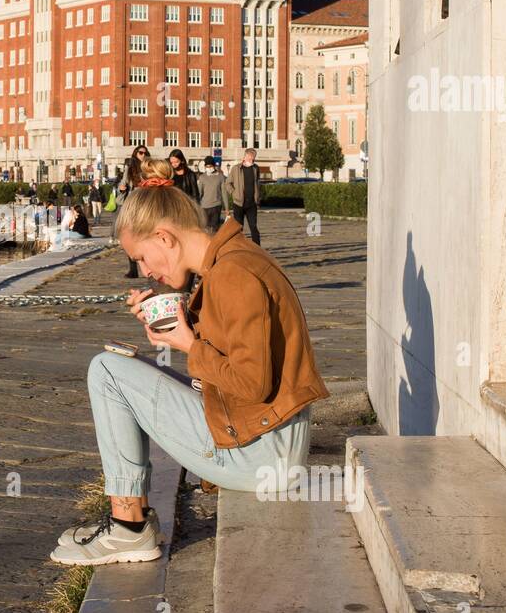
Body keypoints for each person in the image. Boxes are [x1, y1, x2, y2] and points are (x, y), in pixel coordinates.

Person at [50, 159, 328, 566]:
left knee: (107, 372)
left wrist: (187, 344)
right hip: (270, 442)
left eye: (142, 258)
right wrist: (176, 322)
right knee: (123, 370)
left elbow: (252, 383)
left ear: (164, 237)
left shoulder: (233, 274)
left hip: (264, 457)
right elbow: (235, 341)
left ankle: (128, 527)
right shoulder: (232, 260)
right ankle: (128, 525)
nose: (145, 271)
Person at [118, 145, 149, 279]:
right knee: (130, 234)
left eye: (145, 153)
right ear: (135, 154)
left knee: (145, 234)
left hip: (146, 201)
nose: (142, 155)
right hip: (132, 201)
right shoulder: (130, 168)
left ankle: (148, 266)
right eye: (140, 152)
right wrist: (121, 188)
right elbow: (123, 182)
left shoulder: (149, 167)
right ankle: (133, 268)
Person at [229, 148, 262, 245]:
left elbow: (257, 183)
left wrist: (258, 197)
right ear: (246, 156)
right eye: (251, 157)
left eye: (254, 158)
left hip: (252, 204)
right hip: (238, 204)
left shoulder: (256, 168)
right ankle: (238, 246)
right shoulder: (236, 168)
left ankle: (257, 248)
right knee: (239, 228)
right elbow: (227, 183)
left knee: (253, 227)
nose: (253, 160)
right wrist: (234, 193)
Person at [196, 156, 228, 232]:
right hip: (204, 206)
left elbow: (224, 192)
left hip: (216, 206)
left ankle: (214, 242)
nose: (208, 168)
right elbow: (199, 193)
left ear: (214, 166)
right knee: (205, 228)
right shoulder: (202, 177)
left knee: (214, 228)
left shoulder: (220, 177)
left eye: (210, 166)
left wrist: (227, 208)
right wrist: (196, 205)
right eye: (206, 166)